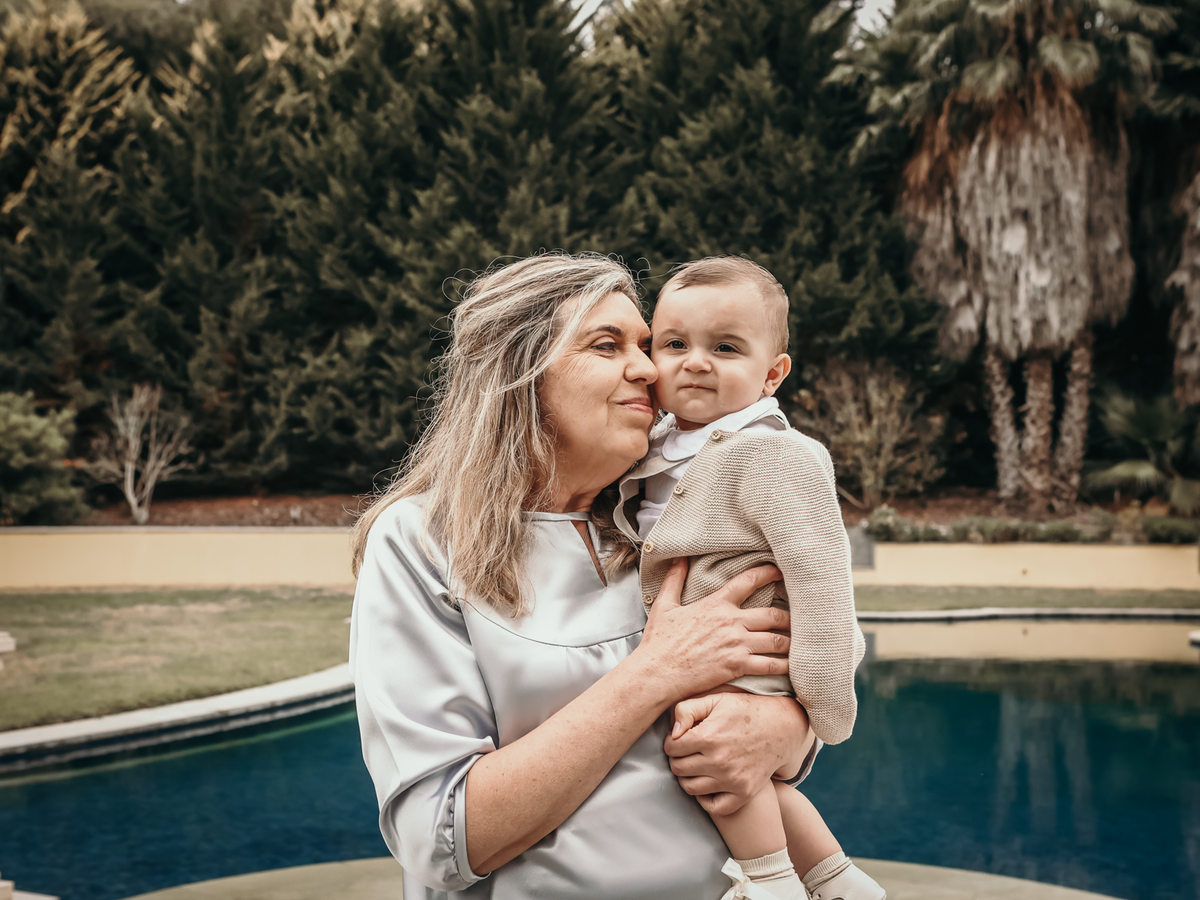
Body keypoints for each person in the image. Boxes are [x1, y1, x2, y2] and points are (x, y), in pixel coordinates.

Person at [348, 252, 818, 900]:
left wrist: (788, 731)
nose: (650, 368)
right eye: (608, 344)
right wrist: (653, 674)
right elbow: (443, 840)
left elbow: (773, 712)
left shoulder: (669, 522)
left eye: (646, 345)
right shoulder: (420, 541)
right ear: (520, 374)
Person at [614, 257, 884, 900]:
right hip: (695, 648)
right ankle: (838, 880)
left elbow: (820, 577)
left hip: (744, 648)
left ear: (773, 373)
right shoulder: (651, 445)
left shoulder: (776, 454)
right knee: (757, 780)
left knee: (713, 758)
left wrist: (822, 699)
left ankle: (769, 883)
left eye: (726, 347)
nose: (696, 361)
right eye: (675, 344)